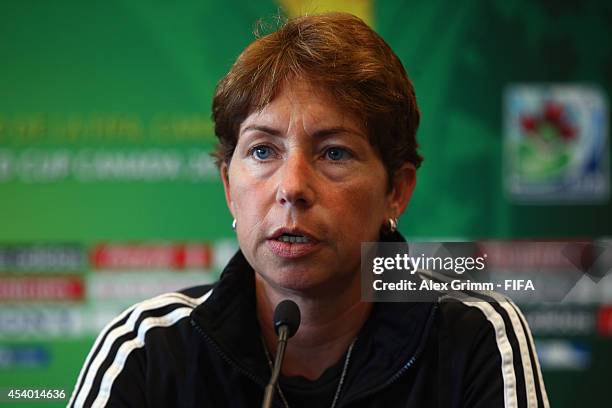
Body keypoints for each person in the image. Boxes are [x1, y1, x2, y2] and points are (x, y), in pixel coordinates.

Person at [69, 12, 549, 408]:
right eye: (262, 151)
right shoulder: (147, 350)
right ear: (229, 188)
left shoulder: (474, 337)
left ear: (396, 192)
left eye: (334, 152)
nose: (292, 187)